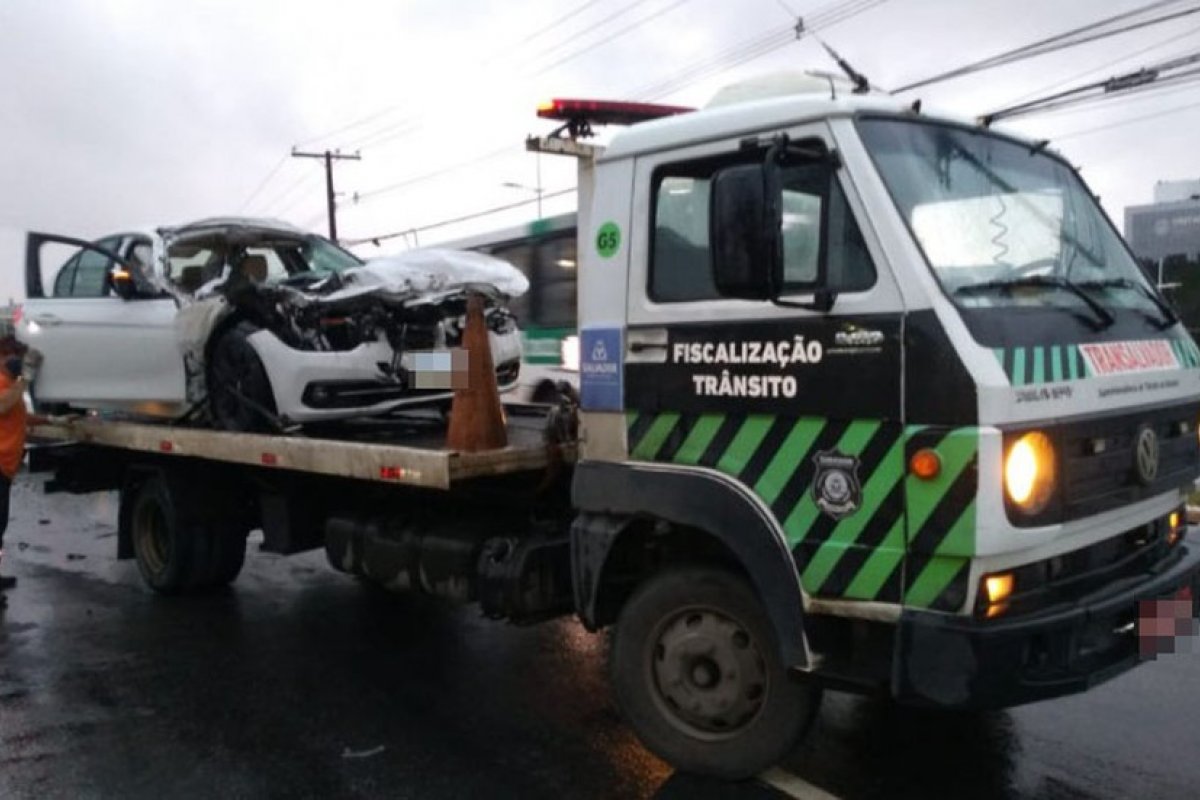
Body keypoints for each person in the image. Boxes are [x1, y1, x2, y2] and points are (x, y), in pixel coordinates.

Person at [0, 336, 29, 606]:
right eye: (9, 355)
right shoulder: (3, 383)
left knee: (1, 525)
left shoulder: (10, 385)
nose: (13, 360)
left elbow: (19, 415)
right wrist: (24, 380)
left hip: (5, 467)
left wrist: (53, 419)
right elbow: (2, 406)